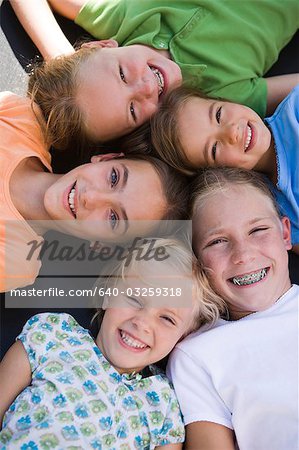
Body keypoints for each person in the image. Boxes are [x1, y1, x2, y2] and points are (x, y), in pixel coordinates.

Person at [0, 238, 226, 448]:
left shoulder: (164, 404)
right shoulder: (53, 334)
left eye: (167, 318)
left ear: (184, 336)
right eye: (134, 298)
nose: (142, 323)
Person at [10, 0, 299, 151]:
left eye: (122, 75)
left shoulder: (117, 15)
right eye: (133, 109)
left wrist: (64, 58)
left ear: (102, 46)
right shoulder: (218, 98)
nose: (146, 86)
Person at [0, 91, 189, 292]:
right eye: (114, 178)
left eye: (113, 218)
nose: (91, 198)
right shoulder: (21, 120)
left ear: (102, 244)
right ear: (106, 158)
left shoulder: (16, 262)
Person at [167, 167, 298, 450]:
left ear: (285, 234)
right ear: (196, 261)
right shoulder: (196, 355)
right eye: (217, 241)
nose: (243, 254)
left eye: (258, 230)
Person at [151, 85, 299, 254]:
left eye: (218, 114)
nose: (232, 132)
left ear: (226, 101)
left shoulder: (295, 108)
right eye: (214, 149)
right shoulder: (277, 210)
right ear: (217, 172)